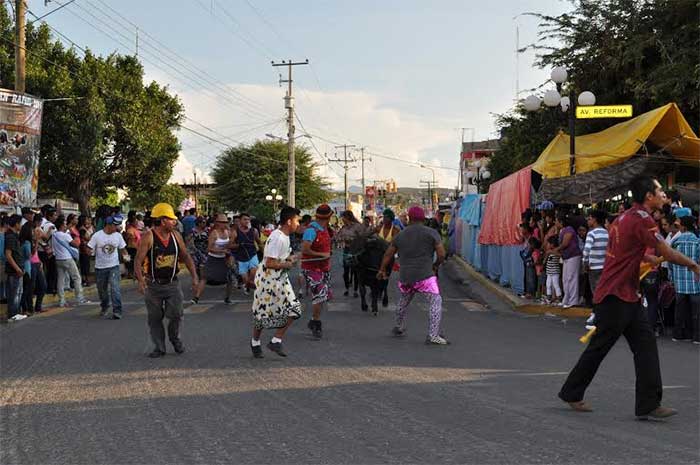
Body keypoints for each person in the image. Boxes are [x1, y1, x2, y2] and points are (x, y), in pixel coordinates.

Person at [558, 176, 700, 420]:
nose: (663, 194)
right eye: (659, 190)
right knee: (601, 347)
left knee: (643, 346)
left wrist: (646, 259)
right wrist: (694, 265)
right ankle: (572, 391)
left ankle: (647, 404)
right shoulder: (642, 219)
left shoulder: (623, 218)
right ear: (648, 196)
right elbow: (665, 251)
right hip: (616, 295)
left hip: (624, 294)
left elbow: (625, 251)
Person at [377, 205, 449, 345]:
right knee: (435, 301)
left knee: (403, 301)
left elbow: (388, 254)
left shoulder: (400, 235)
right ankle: (433, 335)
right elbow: (441, 254)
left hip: (406, 276)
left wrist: (381, 270)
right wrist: (435, 266)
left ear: (409, 218)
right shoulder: (431, 233)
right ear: (423, 218)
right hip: (425, 276)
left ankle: (398, 327)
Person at [134, 203, 198, 358]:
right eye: (171, 219)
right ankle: (159, 347)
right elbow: (138, 260)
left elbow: (186, 256)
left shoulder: (176, 236)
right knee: (155, 318)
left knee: (176, 314)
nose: (175, 222)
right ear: (162, 220)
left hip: (172, 284)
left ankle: (174, 338)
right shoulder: (148, 236)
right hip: (153, 285)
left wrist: (194, 276)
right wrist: (141, 281)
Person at [250, 206, 303, 358]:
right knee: (262, 314)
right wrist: (286, 264)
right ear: (288, 221)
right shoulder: (277, 237)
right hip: (268, 280)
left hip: (281, 279)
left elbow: (280, 258)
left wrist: (291, 258)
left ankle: (276, 340)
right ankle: (255, 342)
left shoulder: (285, 236)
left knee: (294, 309)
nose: (298, 224)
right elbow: (269, 263)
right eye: (296, 221)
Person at [301, 204, 334, 339]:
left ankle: (314, 320)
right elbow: (305, 249)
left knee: (322, 297)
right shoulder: (311, 230)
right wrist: (322, 255)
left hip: (324, 268)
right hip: (311, 268)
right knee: (320, 294)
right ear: (329, 216)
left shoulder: (326, 229)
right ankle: (316, 323)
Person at [88, 214, 130, 319]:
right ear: (109, 225)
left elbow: (123, 249)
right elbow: (89, 248)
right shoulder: (97, 236)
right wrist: (90, 252)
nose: (117, 228)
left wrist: (127, 259)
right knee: (102, 291)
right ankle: (105, 306)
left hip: (113, 266)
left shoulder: (118, 236)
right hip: (100, 268)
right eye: (115, 225)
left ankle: (117, 311)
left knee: (115, 288)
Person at [668, 215, 699, 344]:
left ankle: (678, 334)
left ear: (684, 227)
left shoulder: (675, 242)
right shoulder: (697, 242)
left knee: (680, 309)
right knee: (696, 311)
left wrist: (672, 277)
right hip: (695, 282)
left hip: (679, 282)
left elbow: (670, 260)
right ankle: (696, 336)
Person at [52, 216, 87, 307]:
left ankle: (62, 300)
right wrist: (76, 239)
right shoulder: (65, 235)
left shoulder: (54, 235)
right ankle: (79, 298)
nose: (65, 226)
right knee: (76, 277)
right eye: (64, 224)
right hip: (67, 258)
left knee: (61, 280)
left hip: (58, 259)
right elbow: (75, 244)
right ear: (61, 225)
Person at [205, 213, 234, 303]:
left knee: (230, 278)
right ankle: (196, 297)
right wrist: (221, 251)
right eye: (222, 222)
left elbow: (231, 244)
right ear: (217, 223)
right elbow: (209, 249)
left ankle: (227, 298)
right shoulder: (214, 233)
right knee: (206, 278)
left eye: (226, 222)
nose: (225, 224)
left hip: (224, 258)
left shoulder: (228, 232)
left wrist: (229, 250)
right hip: (214, 258)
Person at [337, 210, 366, 298]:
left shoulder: (357, 226)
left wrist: (355, 239)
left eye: (343, 218)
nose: (342, 219)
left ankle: (355, 290)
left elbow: (362, 237)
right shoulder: (343, 228)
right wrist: (341, 239)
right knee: (346, 271)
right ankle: (347, 289)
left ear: (348, 217)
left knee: (355, 271)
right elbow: (338, 237)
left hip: (355, 250)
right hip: (347, 249)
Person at [555, 215, 582, 308]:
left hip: (573, 256)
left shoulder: (569, 229)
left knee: (572, 278)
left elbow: (565, 243)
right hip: (567, 256)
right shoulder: (562, 230)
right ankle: (566, 299)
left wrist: (556, 249)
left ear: (561, 222)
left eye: (556, 221)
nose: (555, 223)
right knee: (565, 279)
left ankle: (573, 300)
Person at [231, 213, 260, 296]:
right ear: (240, 221)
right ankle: (247, 285)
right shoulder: (235, 232)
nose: (247, 221)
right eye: (245, 219)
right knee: (245, 279)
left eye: (248, 220)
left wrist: (264, 252)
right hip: (241, 257)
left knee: (253, 273)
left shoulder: (254, 231)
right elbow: (230, 245)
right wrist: (239, 245)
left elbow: (259, 242)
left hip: (252, 255)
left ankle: (253, 286)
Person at [4, 215, 25, 320]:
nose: (21, 225)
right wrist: (17, 268)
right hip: (13, 271)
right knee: (13, 294)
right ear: (16, 224)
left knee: (16, 293)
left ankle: (15, 314)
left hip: (17, 269)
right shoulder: (10, 237)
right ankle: (12, 315)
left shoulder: (13, 235)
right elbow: (8, 255)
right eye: (20, 223)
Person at [188, 217, 209, 304]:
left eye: (205, 222)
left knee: (203, 272)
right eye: (203, 222)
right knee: (195, 271)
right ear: (199, 223)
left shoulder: (207, 231)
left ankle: (199, 289)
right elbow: (189, 241)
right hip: (195, 253)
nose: (204, 224)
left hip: (204, 254)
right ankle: (196, 284)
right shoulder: (193, 231)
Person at [19, 222, 34, 316]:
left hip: (20, 266)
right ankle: (25, 308)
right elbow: (29, 255)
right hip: (27, 268)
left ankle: (24, 308)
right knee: (27, 290)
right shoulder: (27, 243)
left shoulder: (19, 241)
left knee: (23, 289)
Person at [544, 236, 562, 304]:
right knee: (548, 285)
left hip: (555, 272)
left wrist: (551, 252)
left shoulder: (556, 250)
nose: (547, 245)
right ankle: (548, 298)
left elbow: (560, 255)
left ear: (552, 244)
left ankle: (559, 299)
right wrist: (547, 254)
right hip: (549, 272)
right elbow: (545, 261)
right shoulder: (548, 252)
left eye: (548, 243)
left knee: (556, 285)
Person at [123, 211, 141, 279]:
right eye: (136, 222)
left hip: (136, 247)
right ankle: (130, 273)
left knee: (134, 261)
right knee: (130, 261)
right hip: (131, 247)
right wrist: (130, 236)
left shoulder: (135, 229)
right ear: (133, 222)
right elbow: (127, 237)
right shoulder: (130, 229)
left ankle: (134, 273)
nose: (137, 223)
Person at [78, 215, 94, 286]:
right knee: (85, 265)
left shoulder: (84, 228)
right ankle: (86, 280)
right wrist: (92, 235)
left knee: (85, 265)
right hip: (84, 249)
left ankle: (85, 280)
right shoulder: (82, 229)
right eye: (86, 219)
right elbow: (87, 238)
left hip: (85, 249)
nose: (88, 221)